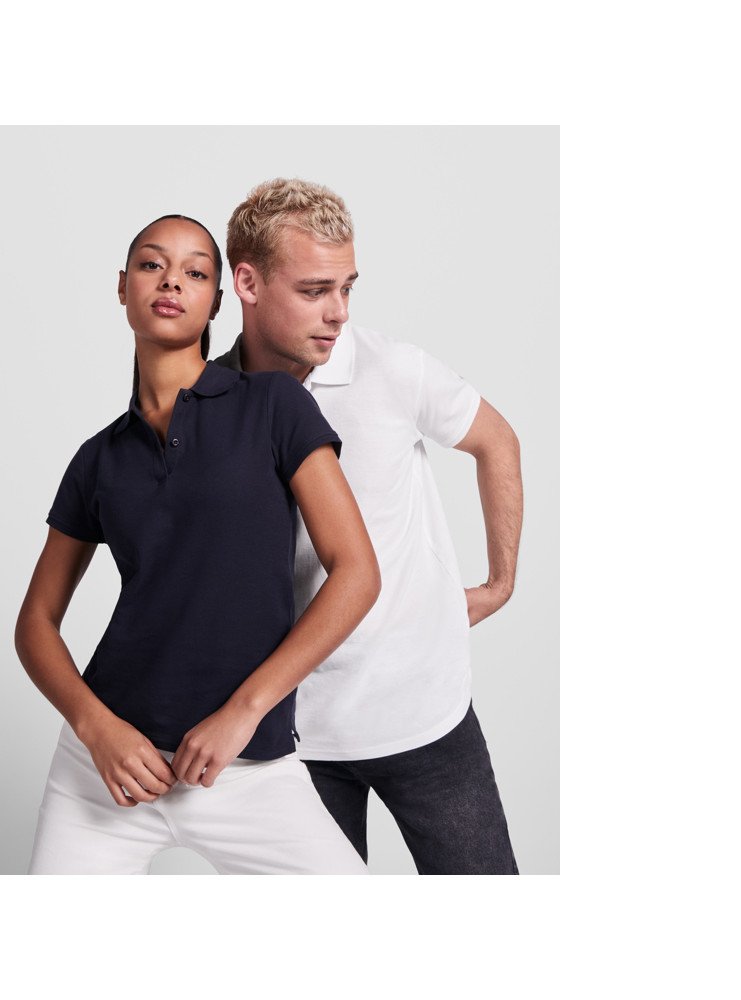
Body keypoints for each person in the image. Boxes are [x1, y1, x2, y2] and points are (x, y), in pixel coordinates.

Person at [15, 214, 379, 875]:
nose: (172, 281)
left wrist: (244, 711)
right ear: (123, 287)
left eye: (195, 272)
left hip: (247, 766)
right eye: (152, 265)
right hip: (106, 771)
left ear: (217, 300)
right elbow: (35, 623)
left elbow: (356, 573)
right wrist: (97, 730)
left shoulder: (273, 405)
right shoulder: (97, 459)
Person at [215, 179, 523, 874]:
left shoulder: (393, 370)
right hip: (291, 737)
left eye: (347, 288)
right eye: (315, 291)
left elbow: (497, 441)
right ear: (248, 283)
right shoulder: (211, 400)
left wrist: (500, 582)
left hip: (424, 715)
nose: (338, 313)